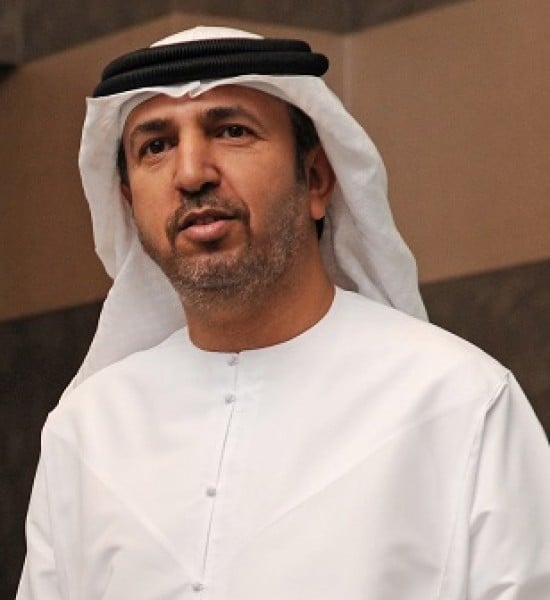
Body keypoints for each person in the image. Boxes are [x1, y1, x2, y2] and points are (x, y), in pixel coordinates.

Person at [17, 26, 550, 600]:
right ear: (128, 204)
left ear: (316, 179)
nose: (191, 173)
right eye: (156, 146)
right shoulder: (86, 431)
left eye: (232, 131)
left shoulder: (459, 401)